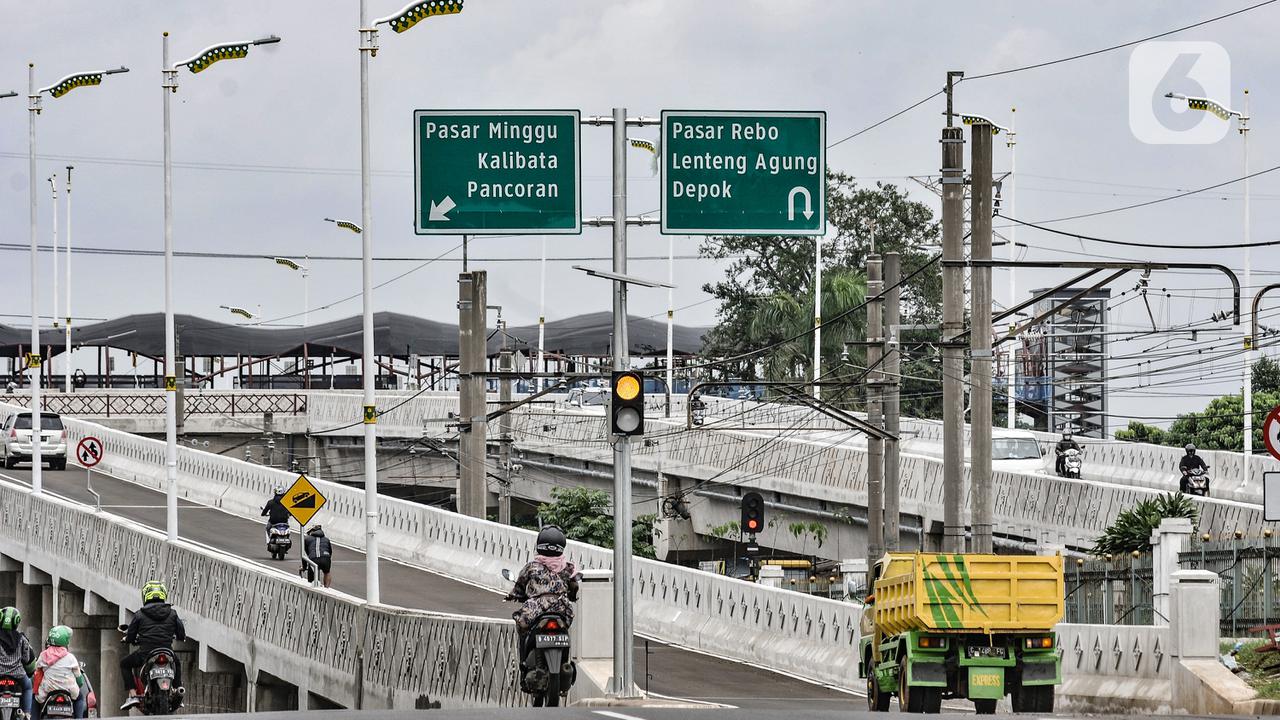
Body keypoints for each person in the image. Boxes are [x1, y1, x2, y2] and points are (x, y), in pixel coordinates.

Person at [506, 526, 579, 686]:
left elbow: (519, 586)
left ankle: (524, 663)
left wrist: (514, 595)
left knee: (522, 627)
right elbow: (574, 588)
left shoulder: (532, 567)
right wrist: (572, 596)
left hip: (535, 609)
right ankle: (565, 662)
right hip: (562, 609)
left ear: (540, 545)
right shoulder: (568, 568)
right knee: (565, 629)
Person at [120, 581, 185, 711]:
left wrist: (128, 639)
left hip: (146, 653)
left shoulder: (140, 614)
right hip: (167, 651)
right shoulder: (172, 613)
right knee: (177, 664)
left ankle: (133, 695)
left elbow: (131, 636)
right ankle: (177, 689)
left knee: (124, 664)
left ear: (145, 596)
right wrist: (179, 637)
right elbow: (181, 633)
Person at [32, 626, 86, 719]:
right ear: (65, 641)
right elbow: (80, 681)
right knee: (80, 698)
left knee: (34, 699)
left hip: (47, 691)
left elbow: (36, 670)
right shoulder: (70, 658)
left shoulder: (43, 655)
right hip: (69, 690)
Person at [0, 607, 36, 718]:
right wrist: (30, 673)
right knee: (28, 687)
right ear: (17, 621)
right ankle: (27, 713)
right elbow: (27, 659)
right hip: (18, 674)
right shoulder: (22, 639)